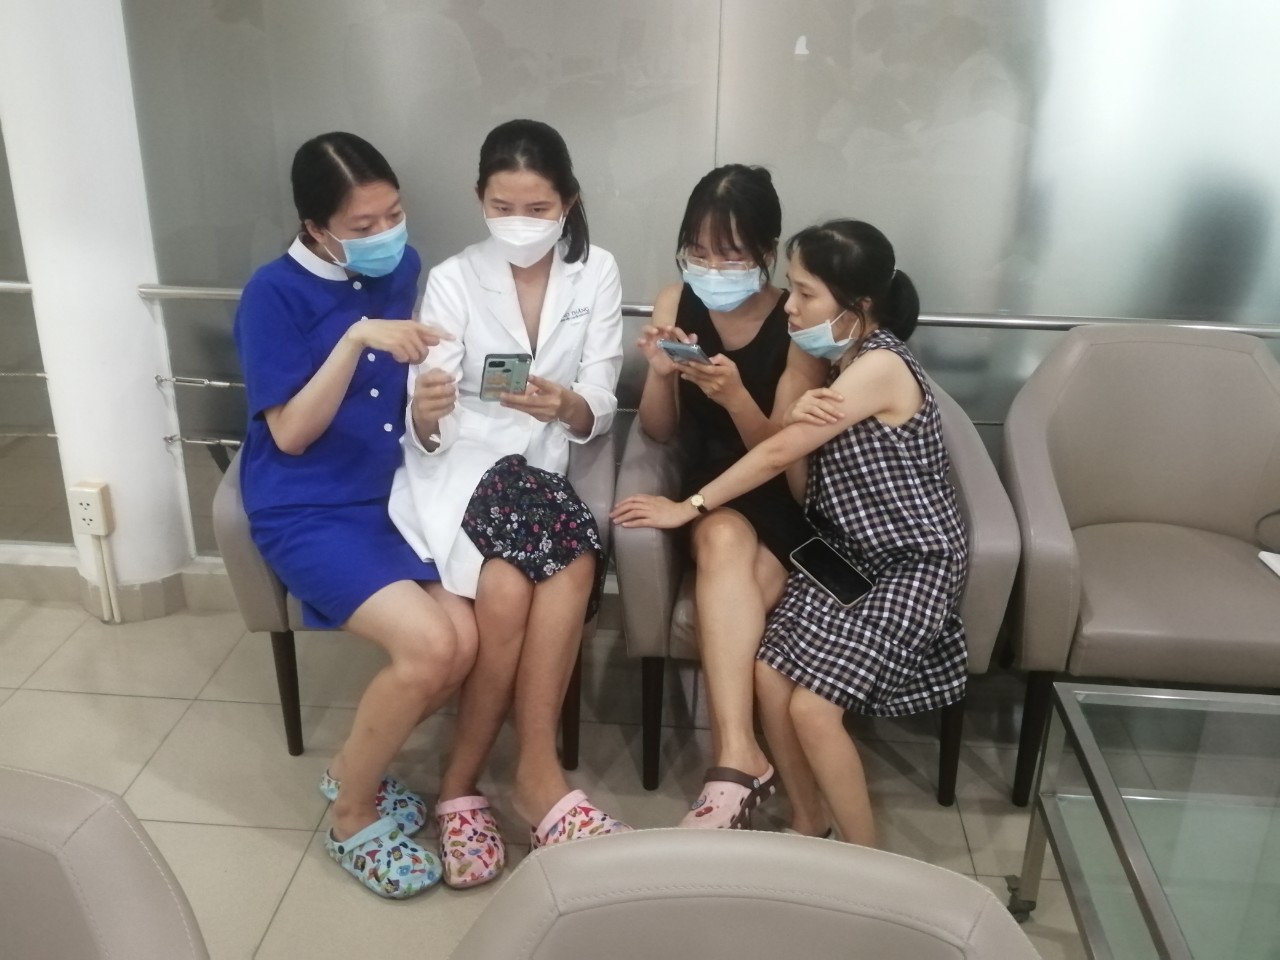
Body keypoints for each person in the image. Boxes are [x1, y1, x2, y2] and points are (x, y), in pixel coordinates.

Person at [613, 219, 968, 847]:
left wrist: (687, 507)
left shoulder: (880, 365)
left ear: (857, 306)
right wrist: (796, 424)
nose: (792, 307)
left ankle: (866, 861)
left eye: (806, 293)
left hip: (911, 563)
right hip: (847, 555)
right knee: (769, 674)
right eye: (794, 289)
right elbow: (801, 482)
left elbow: (775, 456)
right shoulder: (838, 365)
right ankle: (808, 819)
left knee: (811, 707)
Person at [234, 132, 478, 898]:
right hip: (306, 505)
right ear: (316, 228)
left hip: (392, 494)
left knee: (464, 642)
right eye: (363, 226)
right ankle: (350, 815)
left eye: (393, 214)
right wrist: (353, 338)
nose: (386, 235)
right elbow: (291, 434)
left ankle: (350, 768)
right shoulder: (272, 295)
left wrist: (430, 399)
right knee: (429, 649)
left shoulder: (401, 268)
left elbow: (398, 389)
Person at [390, 119, 628, 888]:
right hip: (467, 462)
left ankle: (463, 788)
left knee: (504, 586)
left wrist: (567, 405)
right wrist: (426, 412)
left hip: (538, 463)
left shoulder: (597, 272)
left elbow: (600, 394)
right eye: (503, 207)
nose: (519, 223)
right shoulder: (454, 277)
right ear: (479, 200)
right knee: (575, 559)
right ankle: (537, 777)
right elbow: (428, 409)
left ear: (569, 203)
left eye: (537, 208)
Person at [633, 165, 826, 829]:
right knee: (719, 538)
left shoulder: (796, 321)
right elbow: (660, 431)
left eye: (732, 254)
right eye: (699, 251)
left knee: (728, 579)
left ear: (766, 252)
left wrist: (738, 396)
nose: (712, 269)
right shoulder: (674, 301)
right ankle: (738, 759)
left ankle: (738, 766)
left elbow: (782, 452)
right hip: (713, 486)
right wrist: (662, 375)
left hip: (785, 489)